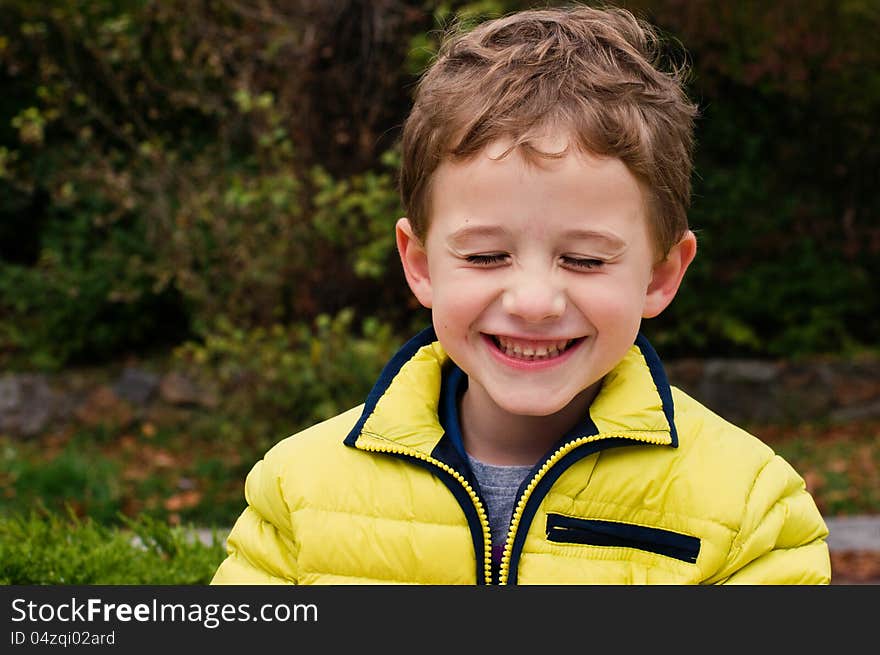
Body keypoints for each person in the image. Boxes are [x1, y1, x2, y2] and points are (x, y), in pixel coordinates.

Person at [211, 4, 830, 584]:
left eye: (585, 259)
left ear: (662, 274)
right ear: (421, 265)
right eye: (485, 256)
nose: (535, 301)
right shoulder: (298, 492)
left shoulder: (750, 510)